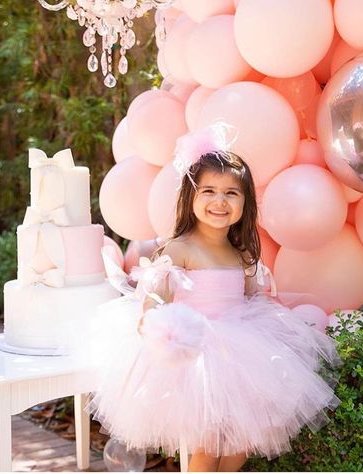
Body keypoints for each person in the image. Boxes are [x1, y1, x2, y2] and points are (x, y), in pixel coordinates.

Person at [87, 123, 341, 472]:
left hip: (240, 354)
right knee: (205, 449)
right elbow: (156, 298)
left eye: (231, 193)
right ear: (191, 197)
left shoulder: (240, 254)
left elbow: (252, 298)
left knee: (241, 443)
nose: (219, 201)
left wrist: (275, 322)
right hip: (196, 360)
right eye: (208, 191)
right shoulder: (180, 249)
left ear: (244, 202)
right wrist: (158, 324)